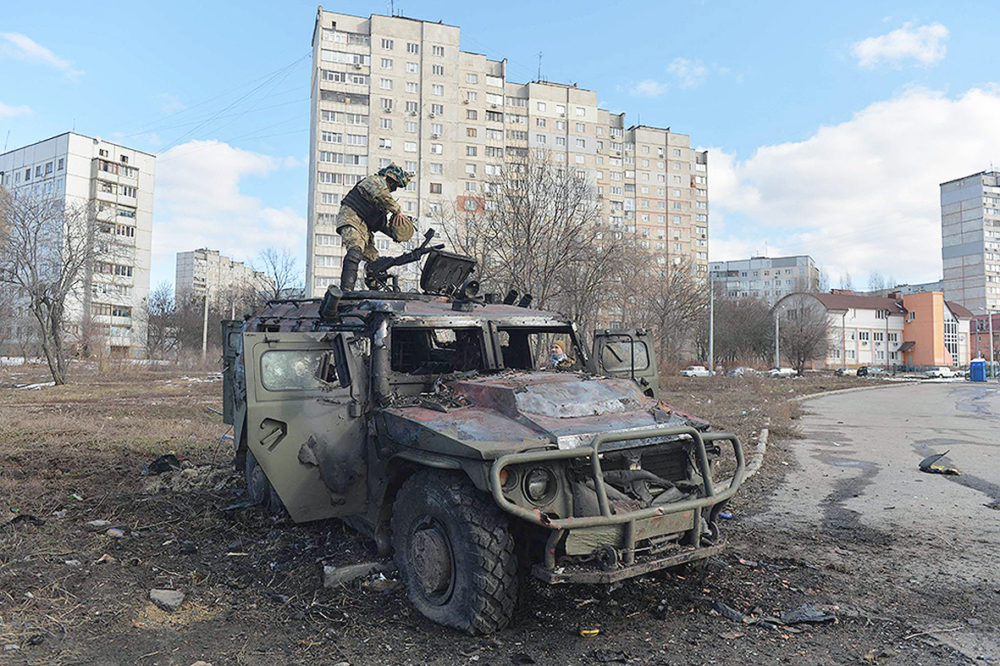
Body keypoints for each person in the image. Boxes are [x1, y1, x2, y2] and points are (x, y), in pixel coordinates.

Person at [336, 164, 415, 290]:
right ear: (390, 179)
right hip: (351, 217)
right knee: (355, 248)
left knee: (374, 260)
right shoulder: (374, 181)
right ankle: (346, 289)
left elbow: (380, 224)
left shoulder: (381, 201)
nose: (394, 189)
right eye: (395, 185)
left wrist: (396, 232)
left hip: (365, 227)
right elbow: (382, 194)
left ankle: (374, 288)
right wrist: (397, 210)